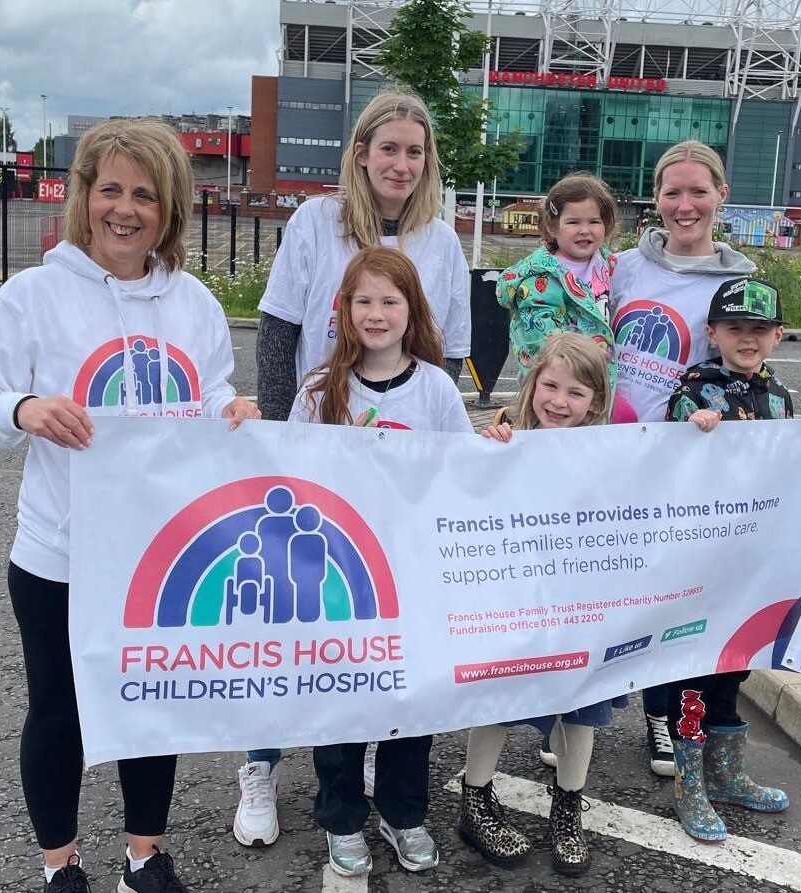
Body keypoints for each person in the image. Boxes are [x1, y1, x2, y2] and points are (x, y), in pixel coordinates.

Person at [0, 118, 259, 893]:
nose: (125, 210)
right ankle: (61, 864)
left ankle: (144, 855)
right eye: (110, 189)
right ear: (85, 196)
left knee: (153, 705)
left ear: (170, 209)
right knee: (58, 712)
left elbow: (211, 390)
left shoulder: (192, 303)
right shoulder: (32, 297)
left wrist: (234, 412)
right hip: (59, 553)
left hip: (161, 555)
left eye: (145, 195)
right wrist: (23, 408)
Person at [239, 88, 470, 848]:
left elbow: (450, 354)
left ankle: (375, 761)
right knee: (295, 623)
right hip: (318, 457)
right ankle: (261, 762)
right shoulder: (315, 222)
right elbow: (277, 332)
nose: (400, 163)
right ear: (361, 154)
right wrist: (280, 441)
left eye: (414, 151)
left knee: (379, 632)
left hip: (399, 488)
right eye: (388, 148)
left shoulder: (441, 239)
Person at [290, 245, 473, 877]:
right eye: (363, 300)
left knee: (408, 704)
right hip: (339, 580)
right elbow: (290, 476)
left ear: (411, 310)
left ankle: (402, 812)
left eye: (389, 301)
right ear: (341, 311)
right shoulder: (320, 391)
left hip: (413, 579)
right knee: (340, 702)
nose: (376, 313)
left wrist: (502, 449)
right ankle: (341, 818)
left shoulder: (437, 390)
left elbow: (465, 475)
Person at [664, 275, 801, 841]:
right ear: (713, 333)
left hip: (751, 567)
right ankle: (689, 784)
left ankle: (727, 774)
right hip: (700, 566)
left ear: (778, 336)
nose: (747, 339)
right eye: (735, 328)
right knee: (693, 674)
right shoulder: (693, 390)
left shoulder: (778, 396)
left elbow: (789, 467)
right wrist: (688, 429)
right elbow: (662, 469)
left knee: (734, 668)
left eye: (759, 330)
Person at [608, 139, 757, 777]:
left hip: (683, 465)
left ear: (721, 196)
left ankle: (663, 713)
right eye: (673, 191)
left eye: (699, 191)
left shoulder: (739, 283)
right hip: (610, 455)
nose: (685, 204)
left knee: (672, 597)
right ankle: (574, 708)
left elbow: (750, 368)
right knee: (603, 585)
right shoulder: (622, 269)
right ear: (657, 196)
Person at [458, 332, 613, 877]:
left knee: (582, 702)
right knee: (498, 697)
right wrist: (485, 449)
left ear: (595, 402)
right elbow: (464, 490)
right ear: (531, 382)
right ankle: (474, 796)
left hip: (579, 607)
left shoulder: (612, 450)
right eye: (550, 385)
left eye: (576, 392)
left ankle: (568, 805)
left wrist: (699, 433)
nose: (559, 401)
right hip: (515, 603)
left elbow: (662, 482)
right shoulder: (506, 434)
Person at [496, 172, 636, 424]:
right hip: (558, 388)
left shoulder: (607, 265)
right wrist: (588, 353)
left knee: (625, 418)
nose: (585, 230)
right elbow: (540, 335)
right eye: (573, 222)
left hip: (593, 384)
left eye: (594, 221)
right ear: (552, 226)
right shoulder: (542, 278)